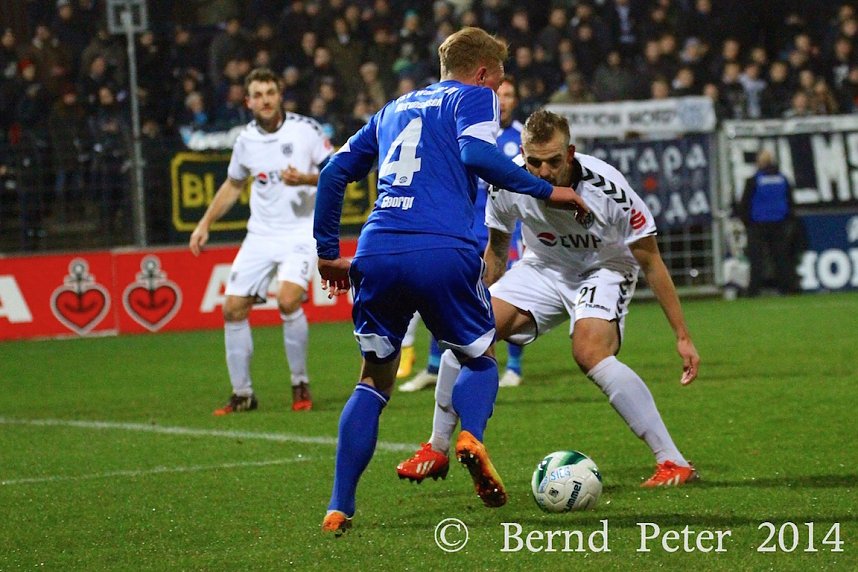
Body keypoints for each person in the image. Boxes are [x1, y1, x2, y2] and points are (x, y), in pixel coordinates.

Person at [313, 27, 591, 535]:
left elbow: (333, 173)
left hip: (377, 250)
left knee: (374, 378)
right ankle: (470, 437)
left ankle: (339, 506)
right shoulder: (474, 97)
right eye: (500, 78)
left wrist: (328, 252)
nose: (501, 90)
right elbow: (477, 156)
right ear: (483, 72)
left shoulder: (393, 108)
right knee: (479, 360)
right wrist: (548, 194)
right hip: (442, 249)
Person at [395, 109, 701, 489]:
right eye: (534, 161)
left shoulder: (608, 189)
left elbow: (651, 260)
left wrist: (682, 336)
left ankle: (672, 460)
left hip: (603, 268)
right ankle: (437, 448)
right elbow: (497, 250)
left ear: (570, 153)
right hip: (542, 266)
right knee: (468, 333)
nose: (543, 171)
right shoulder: (505, 183)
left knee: (589, 352)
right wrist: (477, 307)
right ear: (523, 155)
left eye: (554, 161)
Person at [189, 67, 332, 415]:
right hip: (260, 236)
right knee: (232, 308)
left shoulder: (306, 130)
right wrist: (204, 222)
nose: (265, 100)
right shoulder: (245, 141)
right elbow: (233, 185)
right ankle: (243, 394)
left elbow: (338, 170)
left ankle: (300, 383)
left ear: (280, 94)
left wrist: (307, 179)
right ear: (249, 101)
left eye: (271, 92)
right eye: (258, 94)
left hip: (299, 232)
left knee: (287, 301)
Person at [399, 75, 528, 389]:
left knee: (507, 294)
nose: (505, 100)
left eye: (510, 94)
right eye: (500, 94)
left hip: (505, 229)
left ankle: (513, 367)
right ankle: (432, 367)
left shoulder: (522, 135)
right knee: (444, 290)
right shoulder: (469, 128)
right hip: (466, 227)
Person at [737, 149, 799, 296]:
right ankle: (787, 288)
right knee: (781, 258)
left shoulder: (754, 180)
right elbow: (790, 203)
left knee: (756, 259)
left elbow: (745, 203)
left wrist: (747, 222)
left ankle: (754, 290)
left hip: (757, 225)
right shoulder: (783, 179)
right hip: (779, 224)